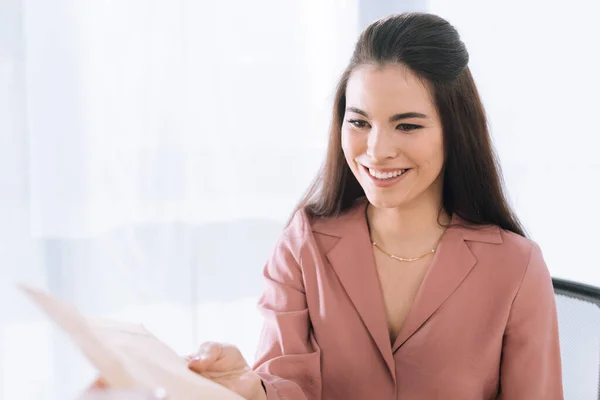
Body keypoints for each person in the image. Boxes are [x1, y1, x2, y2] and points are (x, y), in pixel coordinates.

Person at [93, 12, 564, 399]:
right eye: (359, 122)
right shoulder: (305, 244)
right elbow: (287, 385)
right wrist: (245, 386)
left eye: (407, 126)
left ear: (454, 131)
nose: (376, 151)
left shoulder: (514, 267)